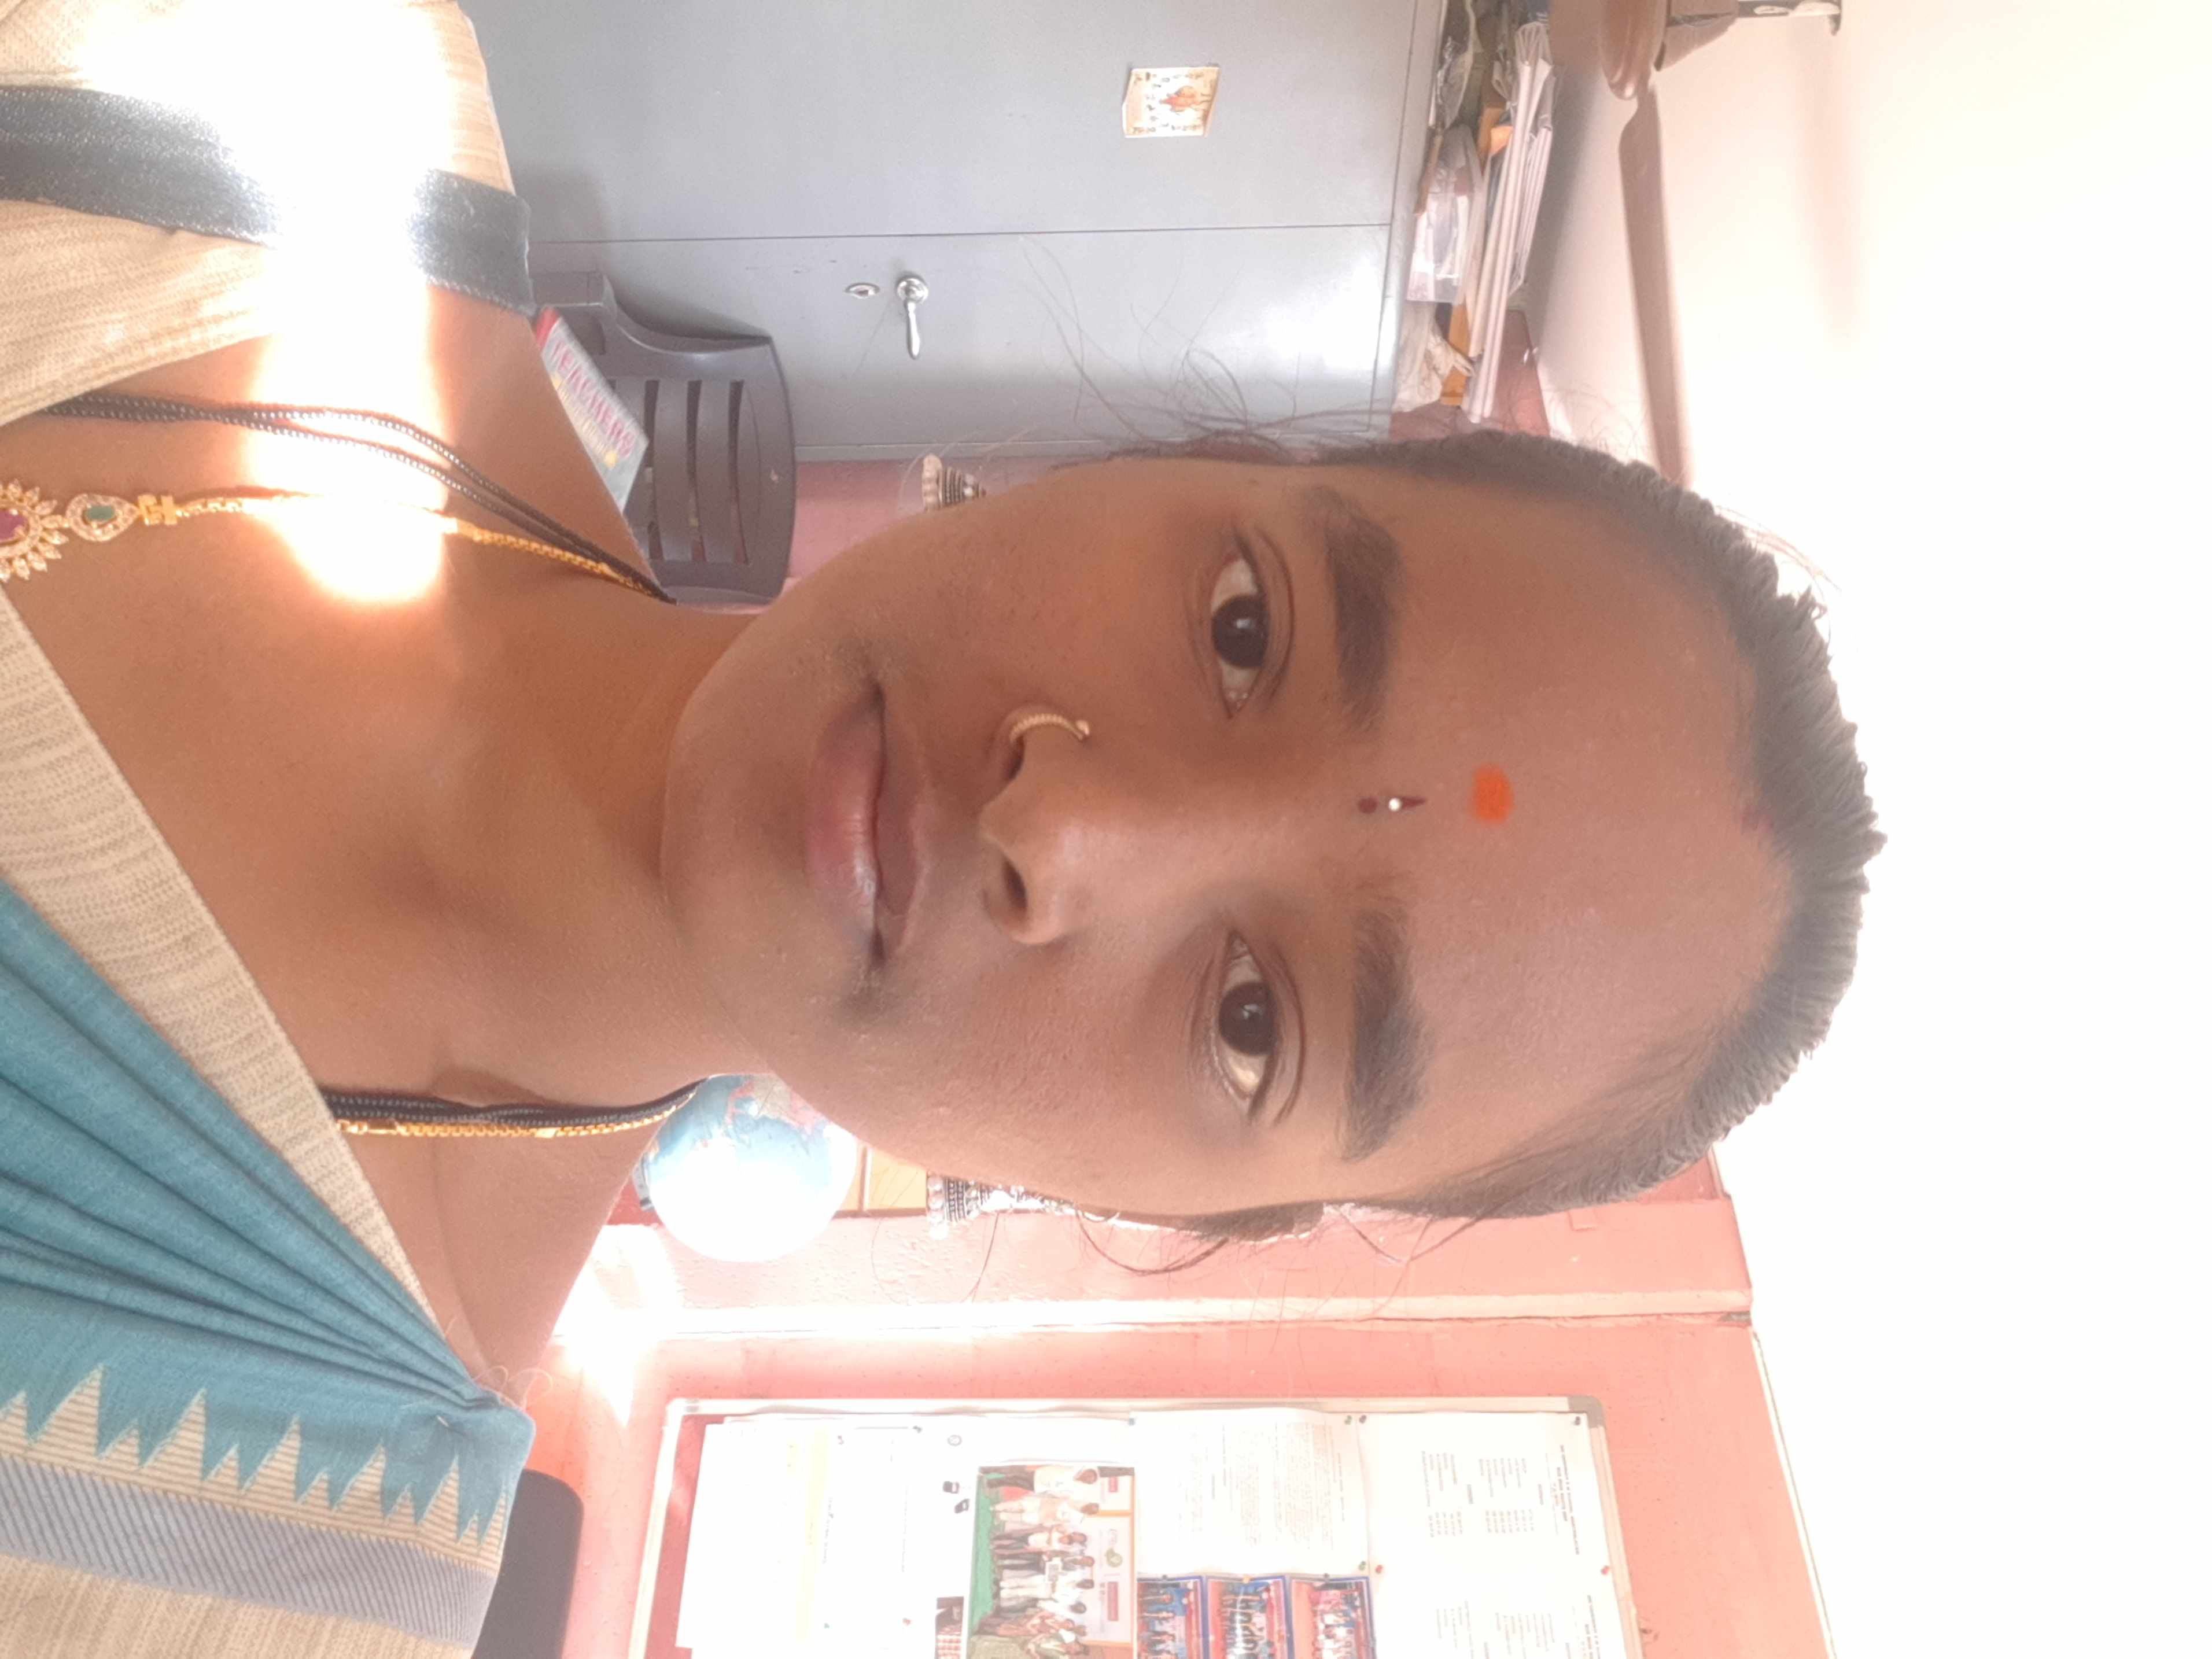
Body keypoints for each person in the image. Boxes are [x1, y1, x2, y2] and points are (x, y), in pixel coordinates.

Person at [0, 2, 1879, 1655]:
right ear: (1185, 463)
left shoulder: (231, 1567)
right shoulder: (286, 84)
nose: (1071, 822)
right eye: (1245, 629)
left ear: (1179, 1209)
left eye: (1255, 1021)